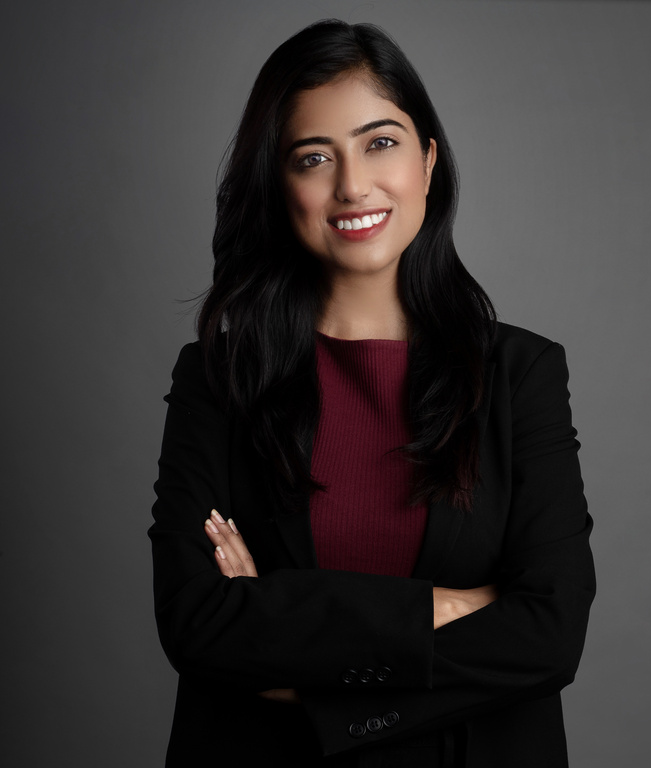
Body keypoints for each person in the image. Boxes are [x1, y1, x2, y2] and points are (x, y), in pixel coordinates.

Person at [149, 19, 595, 768]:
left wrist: (299, 670)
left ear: (427, 163)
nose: (352, 185)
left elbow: (549, 637)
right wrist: (444, 608)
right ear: (278, 186)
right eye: (314, 157)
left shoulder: (522, 375)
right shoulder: (218, 379)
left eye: (379, 143)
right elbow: (198, 623)